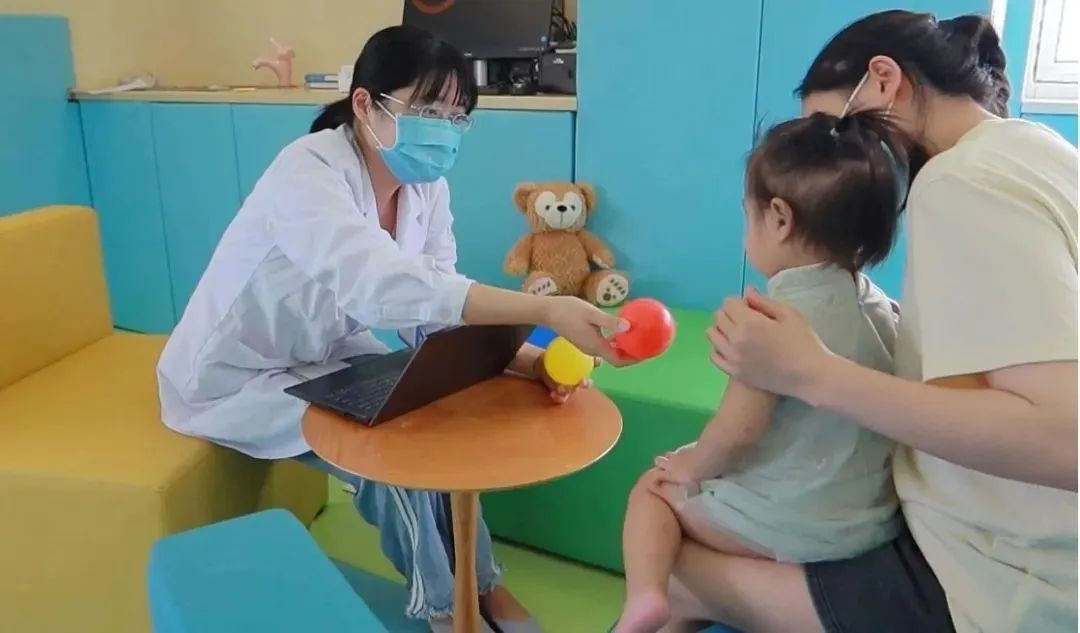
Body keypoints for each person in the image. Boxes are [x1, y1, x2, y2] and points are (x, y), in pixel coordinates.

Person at [157, 26, 626, 633]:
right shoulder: (306, 171)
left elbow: (436, 308)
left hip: (324, 352)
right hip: (238, 373)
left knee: (435, 424)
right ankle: (444, 608)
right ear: (364, 104)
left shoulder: (427, 187)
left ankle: (484, 585)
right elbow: (377, 282)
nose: (443, 130)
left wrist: (529, 361)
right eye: (428, 110)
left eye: (456, 117)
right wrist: (544, 310)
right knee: (387, 455)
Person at [668, 10, 1077, 633]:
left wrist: (810, 373)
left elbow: (1064, 439)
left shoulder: (961, 182)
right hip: (1007, 542)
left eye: (832, 130)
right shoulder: (1037, 148)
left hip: (999, 579)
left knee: (671, 569)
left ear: (884, 80)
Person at [615, 110, 907, 633]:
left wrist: (691, 465)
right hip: (871, 523)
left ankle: (646, 599)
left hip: (795, 524)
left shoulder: (771, 325)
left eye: (746, 215)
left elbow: (738, 432)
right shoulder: (882, 307)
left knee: (654, 493)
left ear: (779, 218)